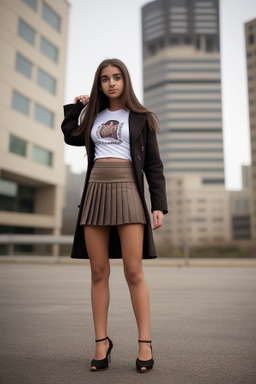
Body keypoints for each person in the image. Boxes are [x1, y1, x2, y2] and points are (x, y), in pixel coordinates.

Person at [61, 58, 168, 373]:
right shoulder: (93, 116)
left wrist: (158, 205)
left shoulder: (141, 118)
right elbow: (70, 135)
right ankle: (101, 342)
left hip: (128, 192)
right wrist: (75, 107)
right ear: (100, 84)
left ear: (125, 81)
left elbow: (154, 166)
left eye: (116, 77)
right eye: (105, 78)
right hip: (95, 191)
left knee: (133, 272)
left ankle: (145, 343)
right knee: (98, 272)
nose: (111, 83)